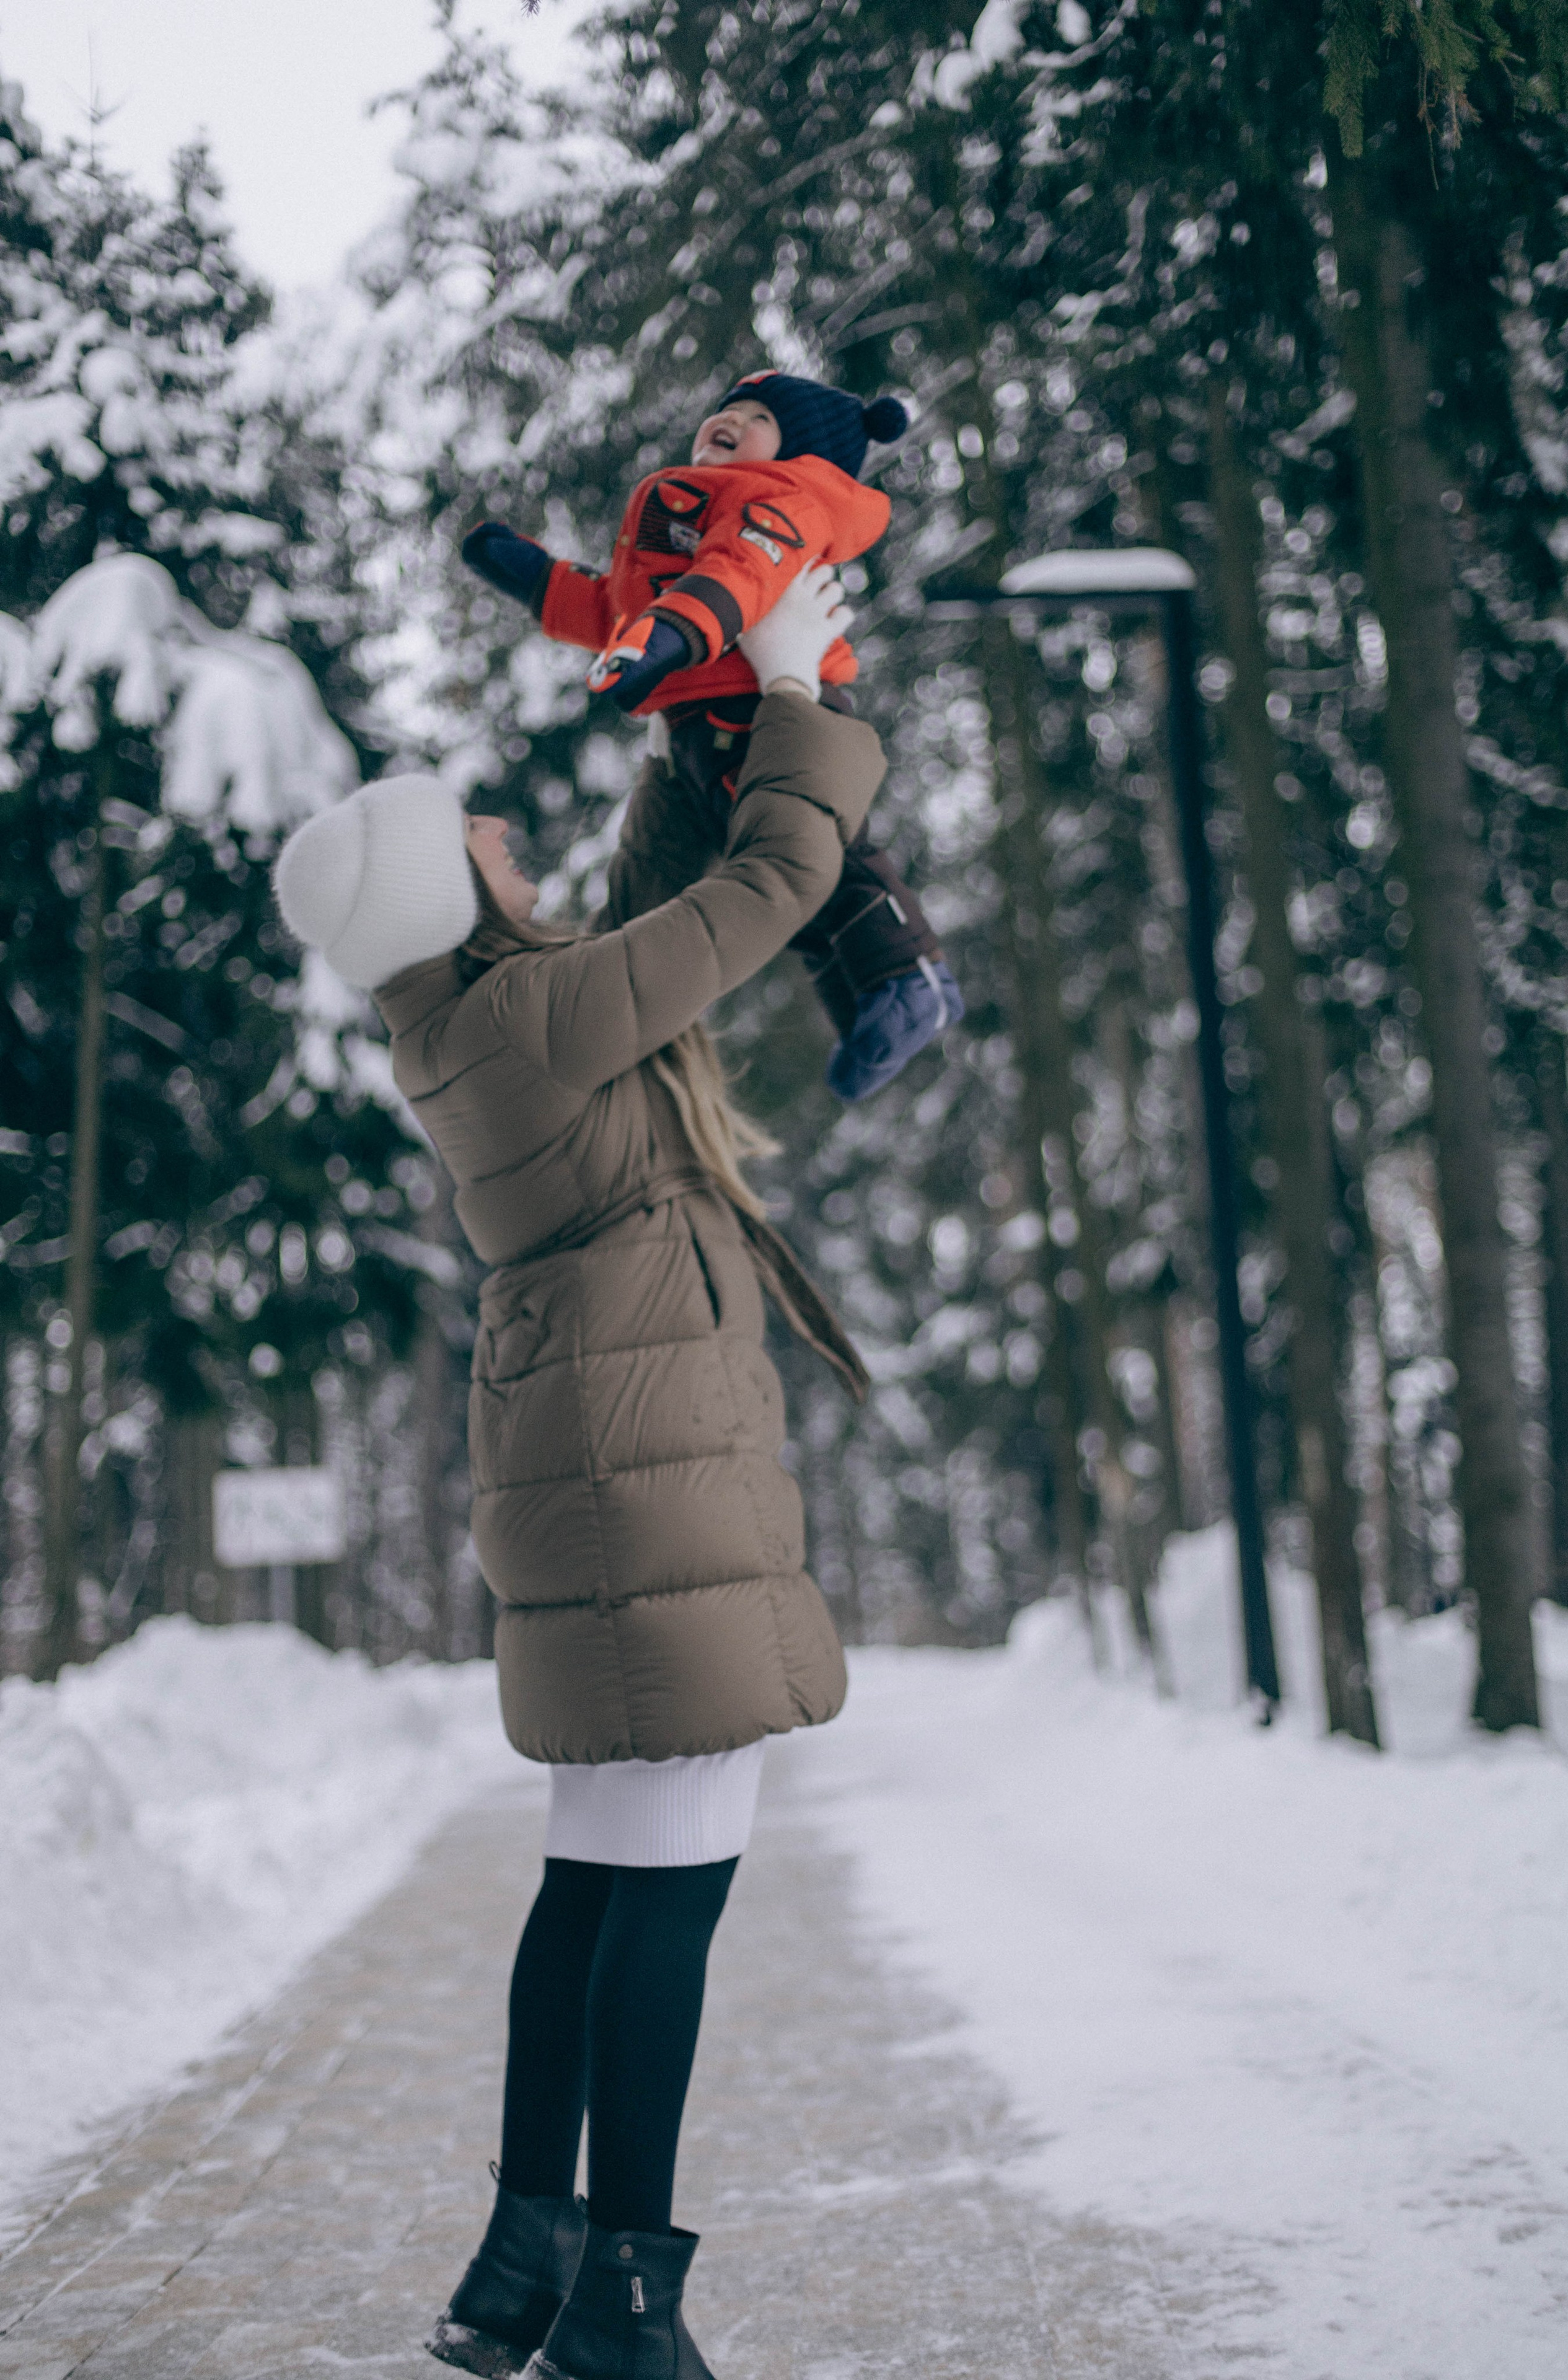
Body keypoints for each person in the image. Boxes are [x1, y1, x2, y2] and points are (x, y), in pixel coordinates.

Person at [273, 570, 883, 2380]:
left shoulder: (491, 1010)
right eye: (455, 828)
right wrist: (788, 688)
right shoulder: (537, 1018)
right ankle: (627, 2292)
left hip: (601, 1459)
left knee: (602, 1879)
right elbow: (765, 889)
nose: (485, 820)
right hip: (640, 1479)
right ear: (441, 892)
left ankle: (524, 2262)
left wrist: (710, 696)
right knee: (667, 1888)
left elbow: (648, 900)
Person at [460, 368, 964, 1103]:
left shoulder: (780, 500)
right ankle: (860, 1006)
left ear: (801, 455)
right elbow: (614, 607)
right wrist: (538, 580)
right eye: (725, 409)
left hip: (770, 703)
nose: (726, 421)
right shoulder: (682, 510)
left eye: (760, 415)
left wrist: (666, 637)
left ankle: (910, 976)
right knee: (772, 873)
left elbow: (743, 574)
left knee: (817, 849)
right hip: (702, 720)